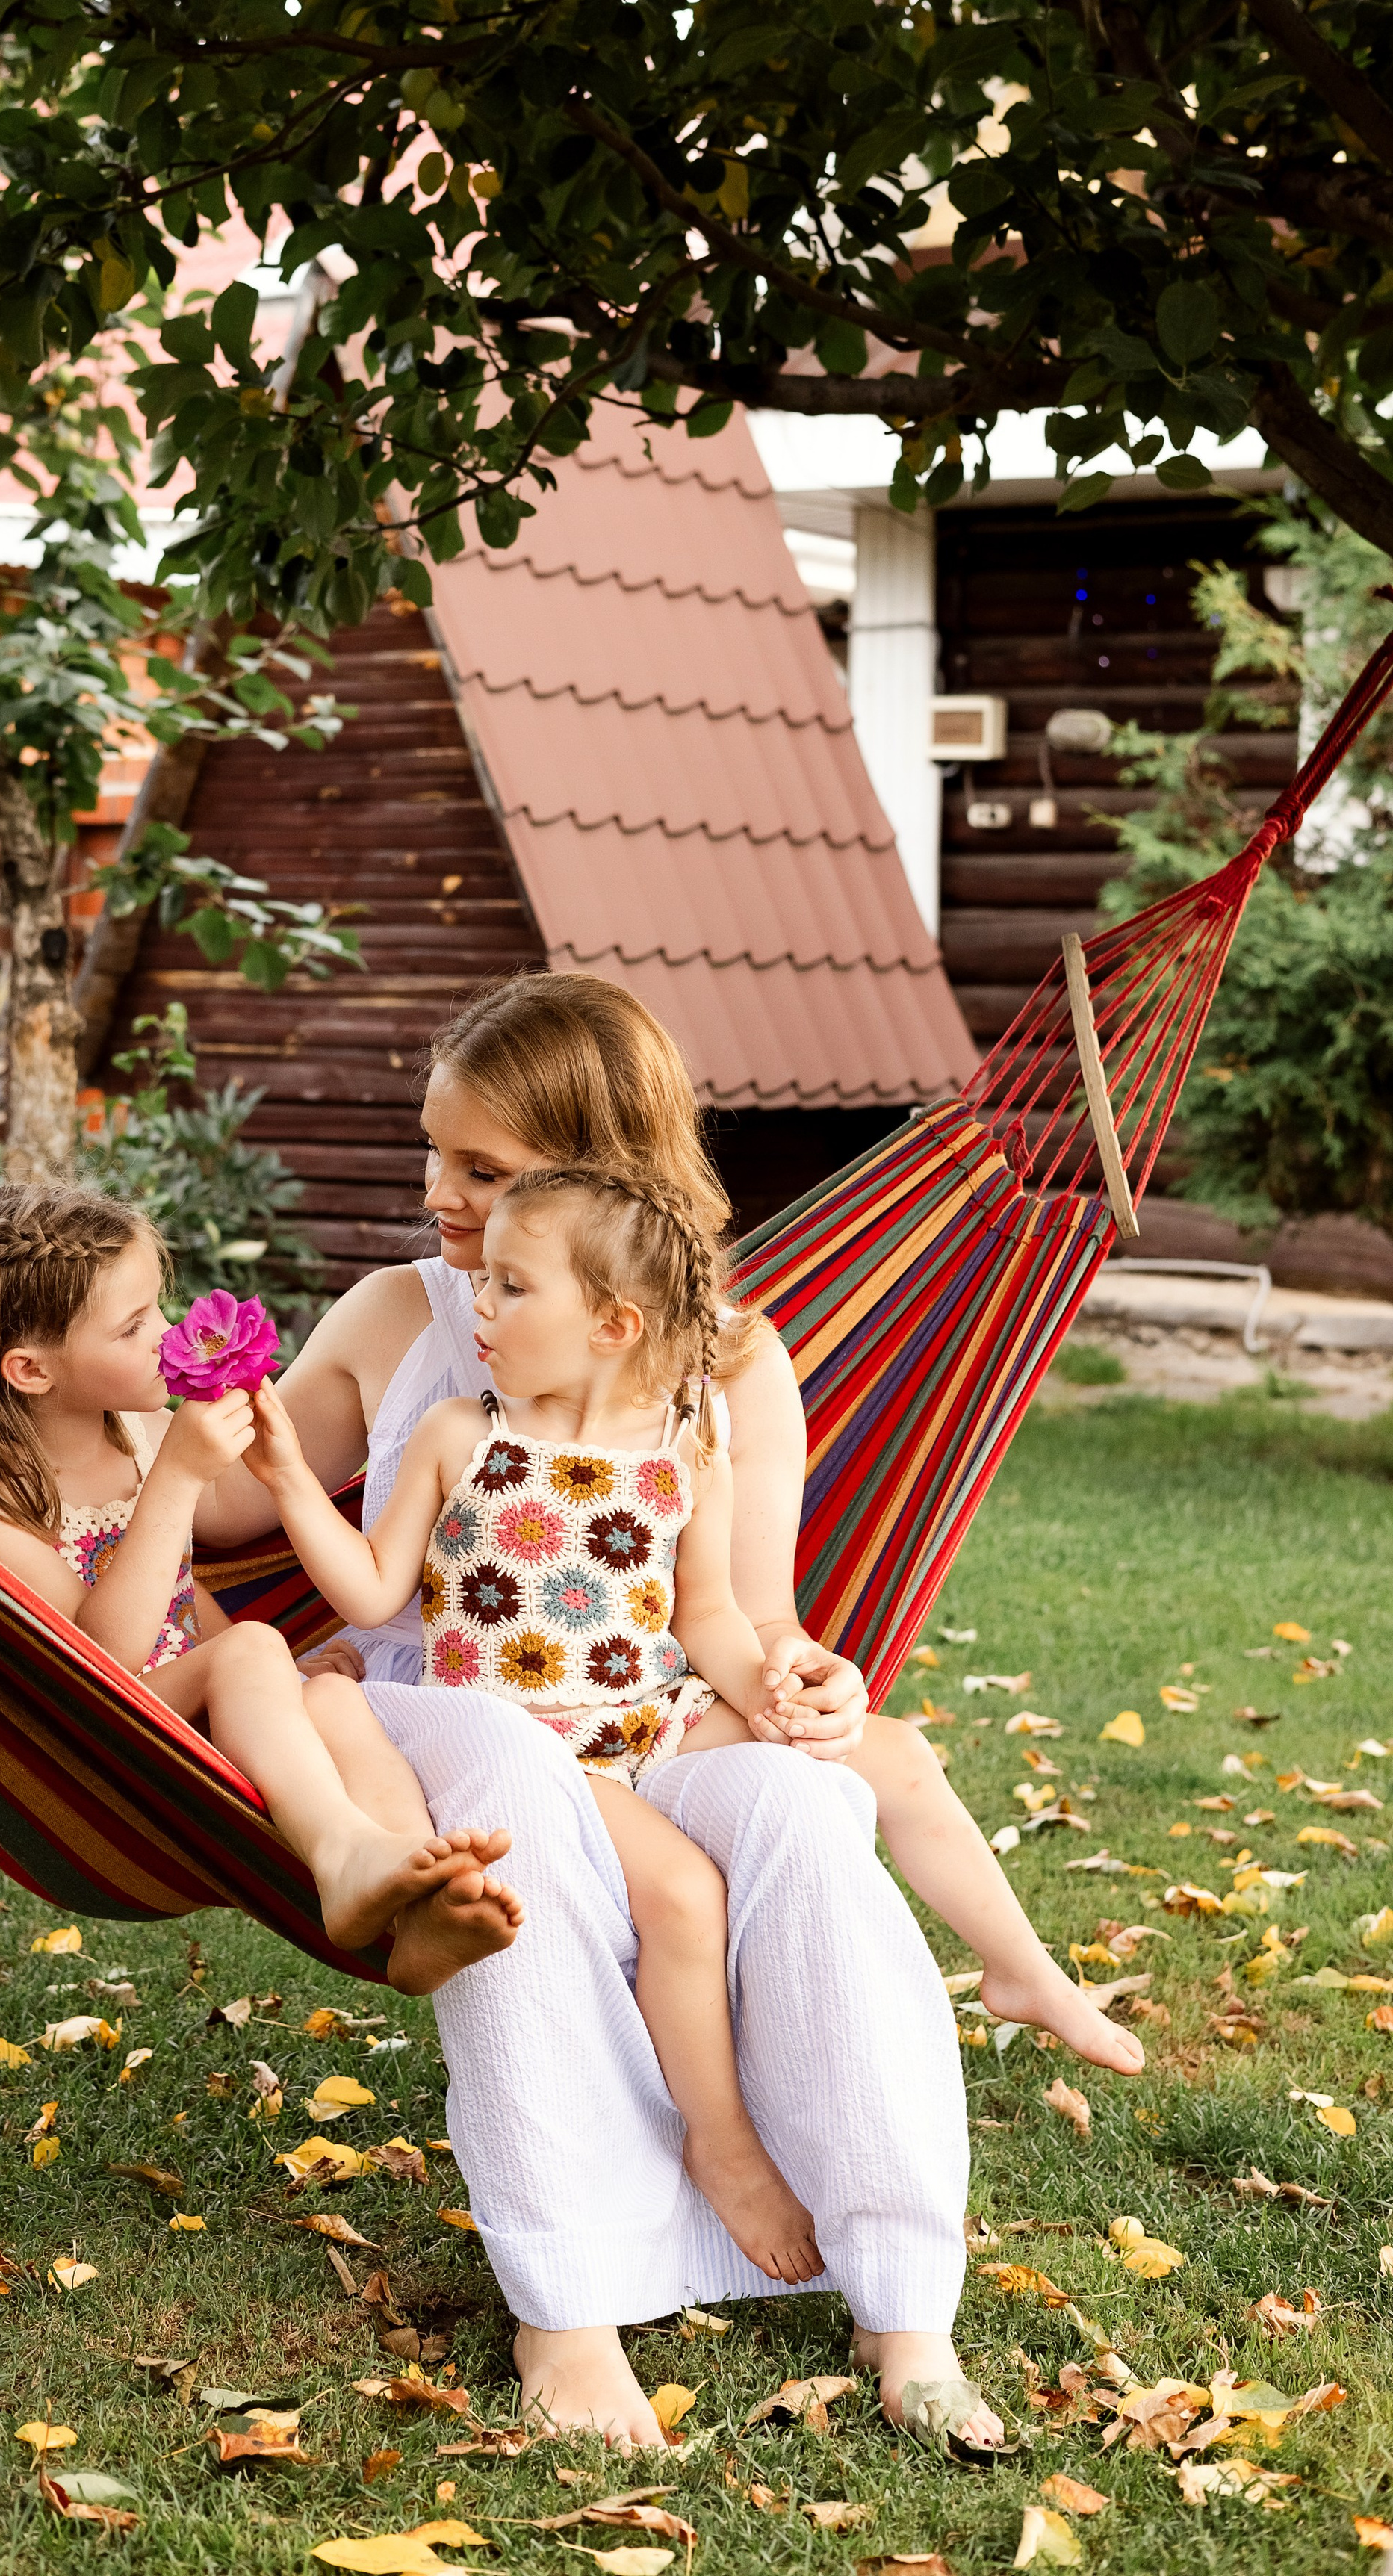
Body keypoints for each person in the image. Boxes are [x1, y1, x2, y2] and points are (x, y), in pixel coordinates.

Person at [187, 972, 1026, 2453]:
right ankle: (564, 2303)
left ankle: (902, 2297)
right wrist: (133, 1439)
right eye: (435, 1153)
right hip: (436, 1704)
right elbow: (238, 1503)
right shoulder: (400, 1317)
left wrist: (803, 1674)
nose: (439, 1198)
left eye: (486, 1174)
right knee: (512, 1794)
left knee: (803, 1809)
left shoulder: (728, 1364)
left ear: (600, 1187)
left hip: (634, 1708)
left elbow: (750, 1617)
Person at [0, 1179, 523, 1995]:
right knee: (253, 1647)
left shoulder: (140, 1426)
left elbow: (186, 1596)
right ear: (30, 1370)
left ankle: (416, 1889)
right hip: (107, 1749)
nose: (165, 1336)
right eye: (132, 1327)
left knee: (334, 1702)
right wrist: (177, 1479)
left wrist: (289, 1679)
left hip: (190, 1706)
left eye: (157, 1308)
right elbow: (103, 1657)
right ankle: (339, 1853)